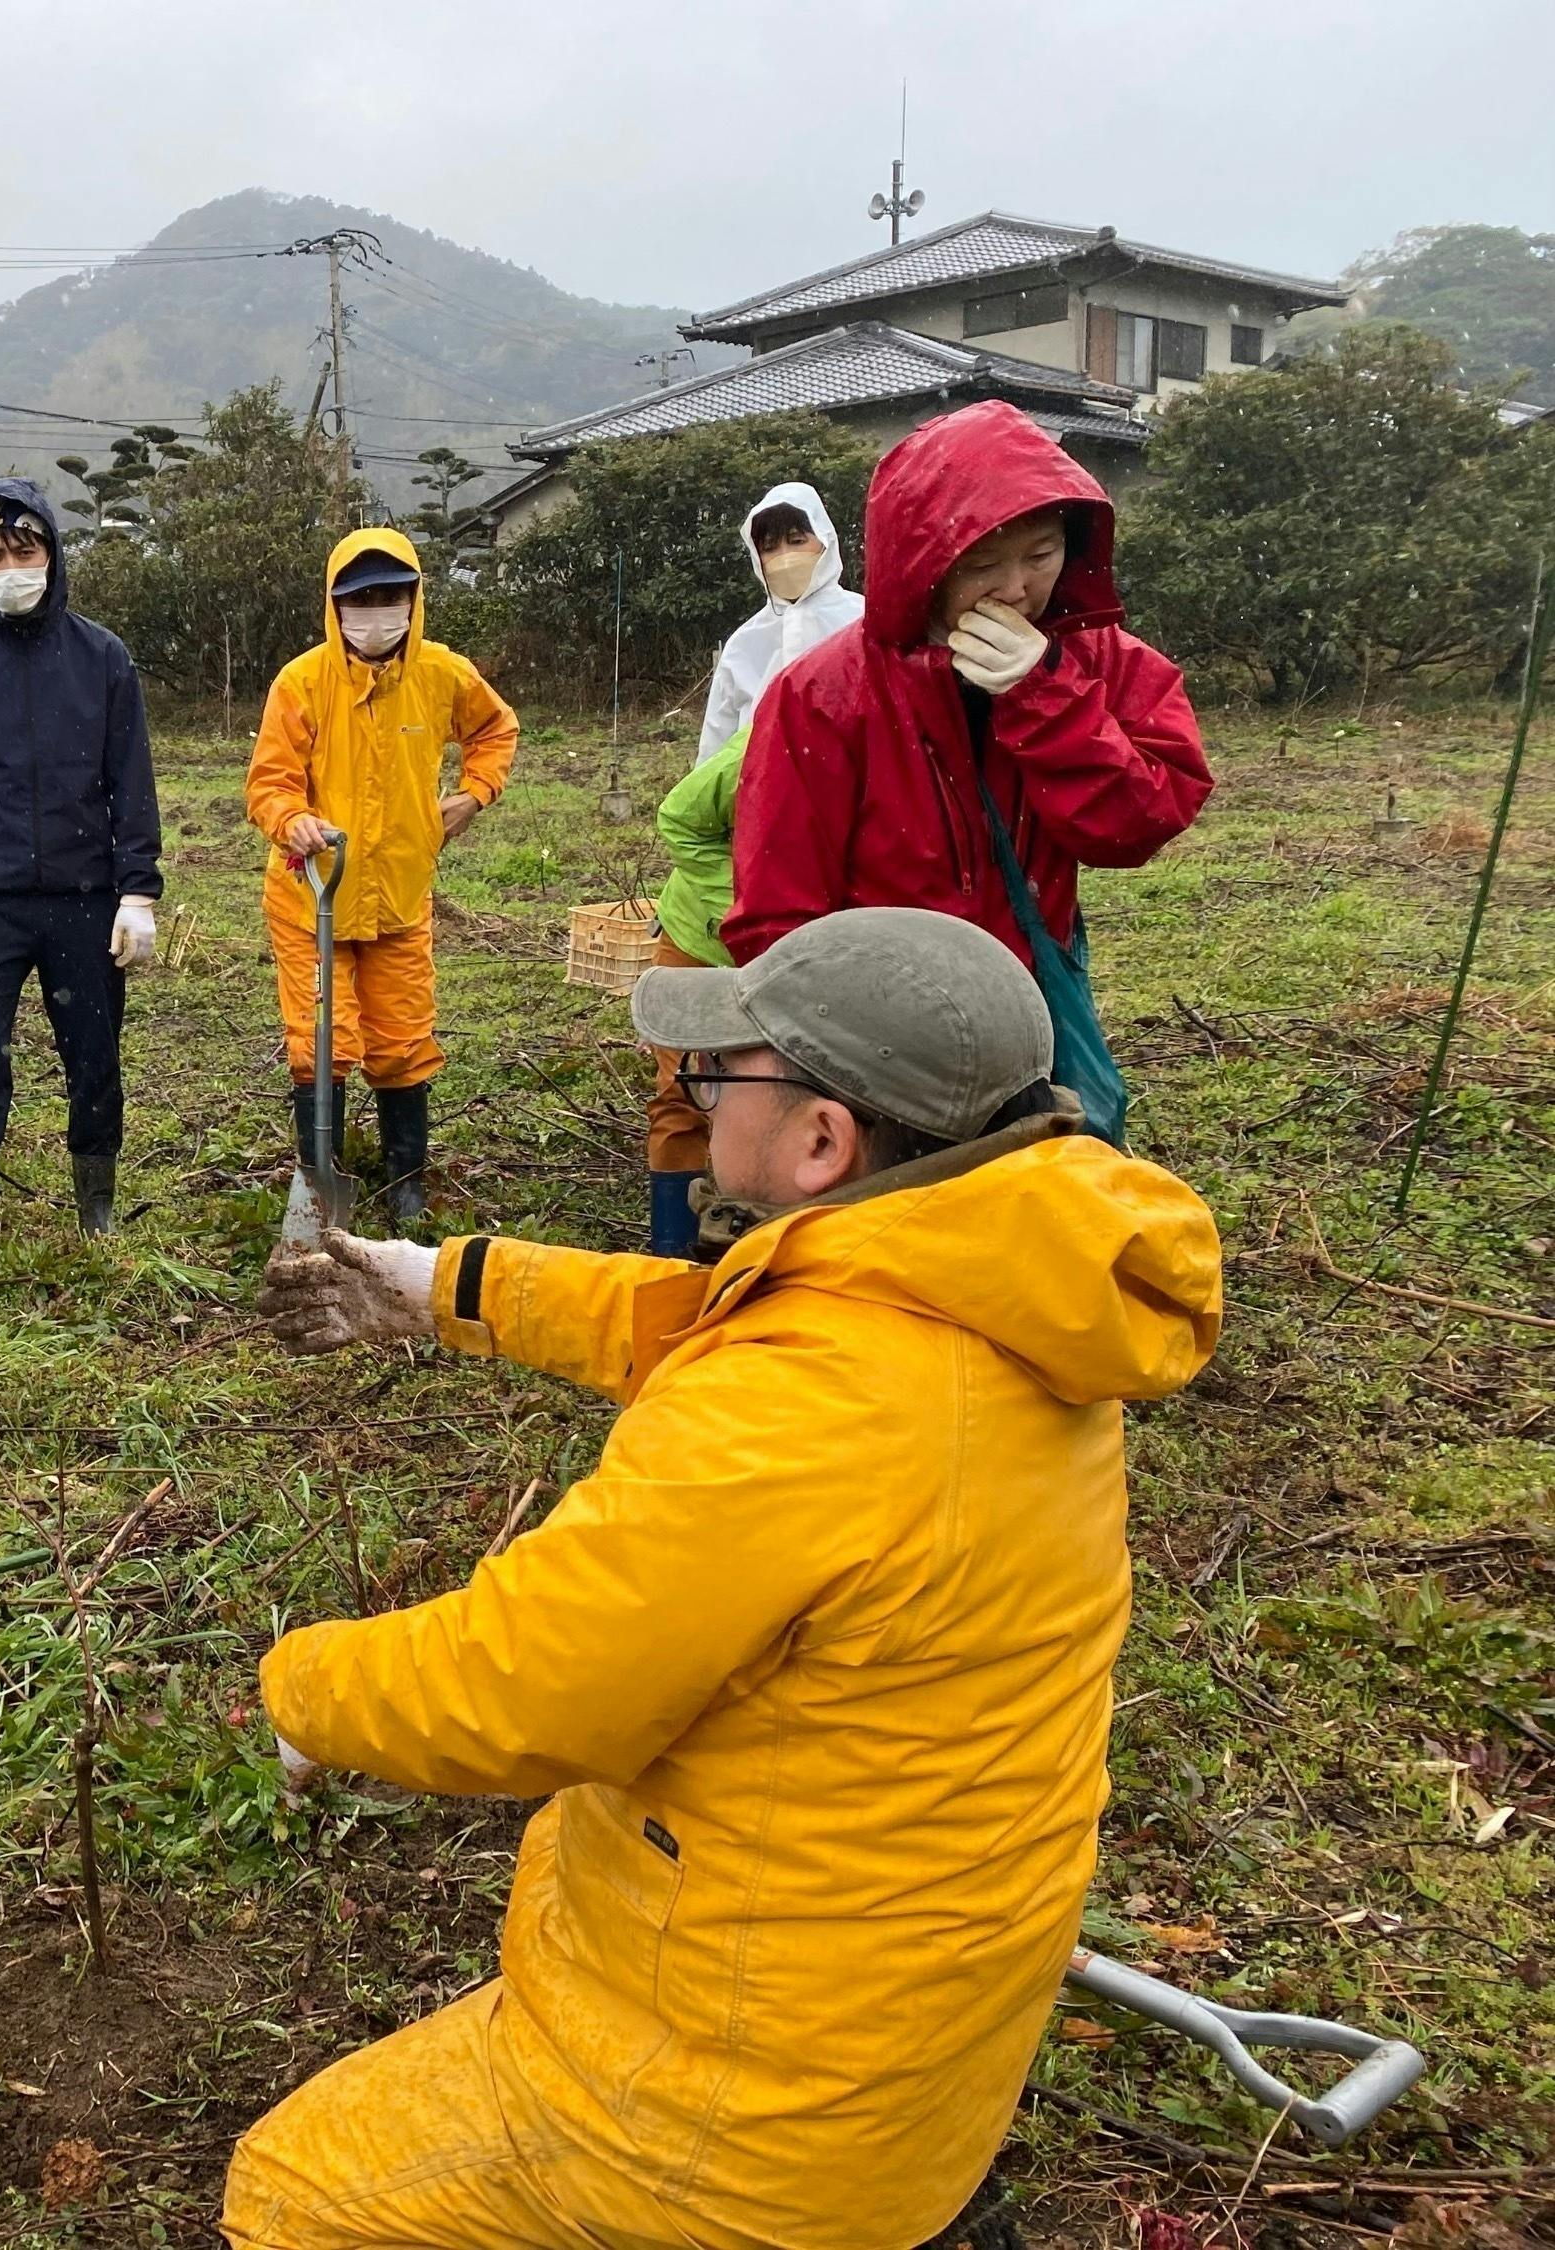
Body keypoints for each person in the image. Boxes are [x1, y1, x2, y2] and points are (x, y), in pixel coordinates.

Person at [235, 907, 1223, 2250]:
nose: (692, 1099)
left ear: (823, 1138)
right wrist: (447, 1283)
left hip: (740, 2124)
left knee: (293, 2192)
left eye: (721, 1073)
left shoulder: (800, 1411)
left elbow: (521, 1686)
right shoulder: (1008, 1290)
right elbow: (719, 1325)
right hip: (916, 2056)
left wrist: (306, 1683)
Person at [724, 403, 1212, 1134]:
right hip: (879, 1037)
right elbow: (776, 914)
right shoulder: (824, 693)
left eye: (1042, 555)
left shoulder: (1097, 658)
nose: (1016, 589)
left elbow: (1132, 828)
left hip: (1028, 1018)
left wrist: (1045, 693)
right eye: (981, 564)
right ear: (921, 565)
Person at [0, 479, 162, 1281]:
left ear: (53, 554)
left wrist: (137, 891)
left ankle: (97, 1209)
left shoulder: (101, 657)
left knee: (93, 1056)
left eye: (25, 550)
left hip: (84, 901)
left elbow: (132, 781)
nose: (10, 566)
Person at [245, 528, 516, 1231]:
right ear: (335, 606)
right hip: (314, 898)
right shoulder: (302, 682)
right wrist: (292, 820)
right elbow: (269, 783)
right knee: (320, 1042)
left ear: (414, 599)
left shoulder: (442, 674)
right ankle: (319, 1180)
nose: (375, 612)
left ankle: (405, 1181)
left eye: (390, 596)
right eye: (359, 599)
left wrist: (474, 792)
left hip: (398, 893)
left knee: (402, 1042)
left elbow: (495, 730)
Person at [639, 723, 748, 1254]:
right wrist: (751, 900)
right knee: (682, 1092)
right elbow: (680, 820)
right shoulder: (765, 744)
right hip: (699, 940)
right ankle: (674, 1253)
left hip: (795, 952)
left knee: (772, 1097)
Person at [694, 480, 862, 764]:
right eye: (770, 547)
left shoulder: (862, 620)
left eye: (797, 541)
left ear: (825, 542)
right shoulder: (745, 644)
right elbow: (716, 751)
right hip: (768, 799)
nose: (784, 557)